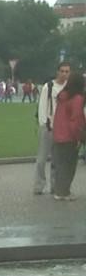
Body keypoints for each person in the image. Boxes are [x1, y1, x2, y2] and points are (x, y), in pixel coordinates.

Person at [36, 62, 71, 195]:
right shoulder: (48, 86)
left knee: (57, 159)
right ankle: (39, 185)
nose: (64, 74)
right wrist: (43, 124)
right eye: (62, 71)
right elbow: (42, 107)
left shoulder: (69, 88)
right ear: (57, 72)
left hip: (62, 128)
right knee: (41, 159)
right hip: (48, 126)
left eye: (67, 71)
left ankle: (55, 185)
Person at [51, 71, 86, 201]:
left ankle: (59, 191)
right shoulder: (77, 99)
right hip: (70, 137)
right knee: (69, 166)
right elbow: (76, 120)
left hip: (58, 134)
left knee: (61, 165)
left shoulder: (62, 96)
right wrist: (78, 137)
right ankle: (64, 192)